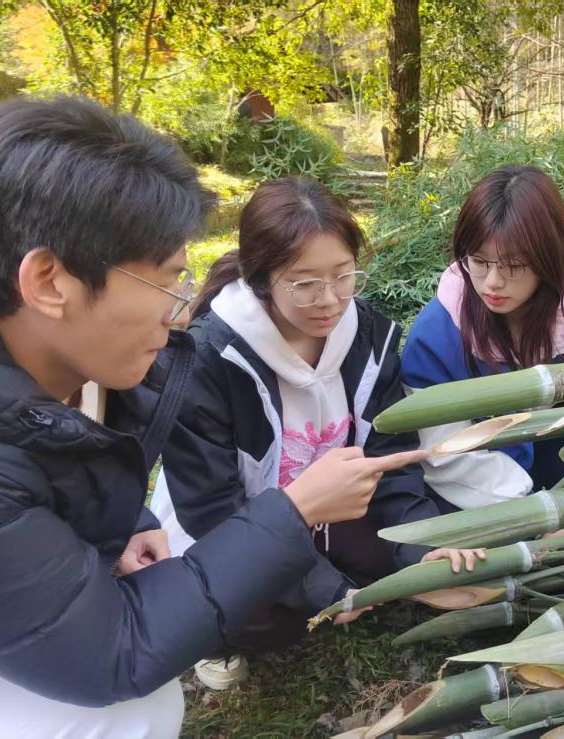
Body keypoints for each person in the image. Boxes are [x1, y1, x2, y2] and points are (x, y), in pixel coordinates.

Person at [0, 96, 427, 737]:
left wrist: (128, 522)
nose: (180, 308)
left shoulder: (62, 360)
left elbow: (68, 461)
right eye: (166, 281)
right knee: (132, 712)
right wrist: (296, 510)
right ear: (49, 282)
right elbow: (114, 656)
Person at [151, 177, 483, 689]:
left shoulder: (369, 337)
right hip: (239, 523)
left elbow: (390, 456)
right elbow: (210, 507)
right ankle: (224, 638)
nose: (329, 300)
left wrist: (421, 549)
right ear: (262, 278)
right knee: (236, 611)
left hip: (336, 511)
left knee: (421, 545)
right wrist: (319, 586)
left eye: (344, 276)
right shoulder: (207, 359)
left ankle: (355, 580)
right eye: (304, 283)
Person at [400, 164, 564, 514]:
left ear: (549, 257)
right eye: (479, 261)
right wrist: (531, 516)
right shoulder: (438, 333)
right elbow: (444, 453)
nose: (492, 282)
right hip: (483, 490)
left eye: (513, 266)